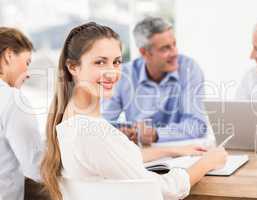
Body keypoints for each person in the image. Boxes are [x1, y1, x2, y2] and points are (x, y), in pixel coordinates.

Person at [41, 22, 227, 200]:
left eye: (116, 62)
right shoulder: (92, 132)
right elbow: (165, 190)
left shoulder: (72, 121)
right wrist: (207, 162)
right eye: (100, 62)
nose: (112, 72)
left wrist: (173, 149)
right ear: (73, 66)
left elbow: (117, 156)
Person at [102, 17, 208, 145]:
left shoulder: (189, 69)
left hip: (181, 153)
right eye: (165, 48)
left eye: (174, 44)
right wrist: (121, 132)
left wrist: (156, 134)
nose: (174, 53)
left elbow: (197, 125)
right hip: (140, 153)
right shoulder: (124, 75)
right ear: (145, 53)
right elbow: (102, 123)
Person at [0, 27, 43, 200]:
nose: (28, 74)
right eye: (27, 62)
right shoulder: (12, 99)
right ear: (9, 55)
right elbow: (35, 166)